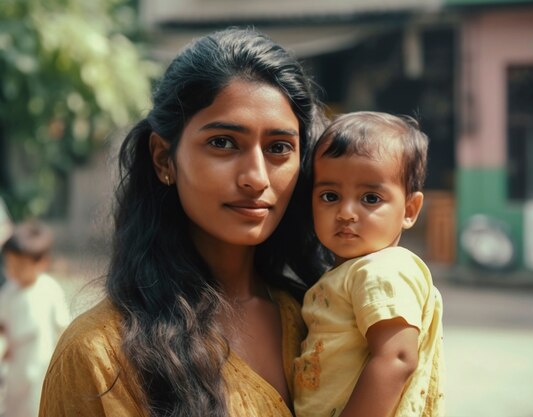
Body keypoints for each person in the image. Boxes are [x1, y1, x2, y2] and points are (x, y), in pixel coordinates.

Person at [38, 28, 330, 417]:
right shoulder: (101, 355)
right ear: (163, 159)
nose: (256, 177)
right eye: (223, 142)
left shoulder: (321, 319)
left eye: (279, 148)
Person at [294, 111, 445, 417]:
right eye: (330, 195)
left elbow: (398, 357)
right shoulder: (345, 273)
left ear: (410, 209)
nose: (346, 212)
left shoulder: (382, 270)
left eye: (371, 199)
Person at [0, 220, 70, 417]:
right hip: (16, 372)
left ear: (42, 263)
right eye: (9, 264)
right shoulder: (8, 293)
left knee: (39, 409)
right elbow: (2, 326)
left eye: (20, 266)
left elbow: (63, 327)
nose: (13, 271)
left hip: (42, 370)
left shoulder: (49, 290)